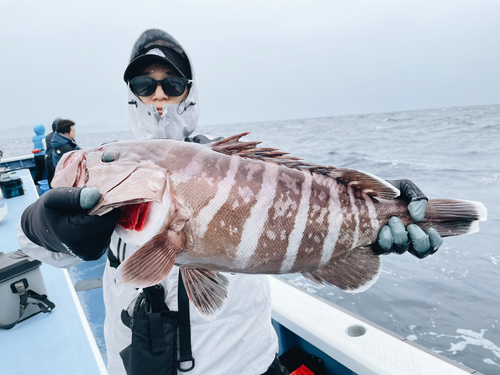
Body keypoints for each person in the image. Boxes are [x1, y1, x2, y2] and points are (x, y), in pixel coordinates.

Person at [17, 29, 443, 375]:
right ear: (132, 93)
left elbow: (308, 191)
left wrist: (378, 207)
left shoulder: (230, 162)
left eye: (173, 83)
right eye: (145, 85)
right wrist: (44, 223)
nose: (160, 95)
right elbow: (36, 254)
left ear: (190, 92)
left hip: (247, 363)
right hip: (139, 363)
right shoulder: (106, 187)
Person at [45, 117, 61, 187]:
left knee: (51, 179)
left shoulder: (48, 136)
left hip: (48, 159)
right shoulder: (61, 136)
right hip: (55, 159)